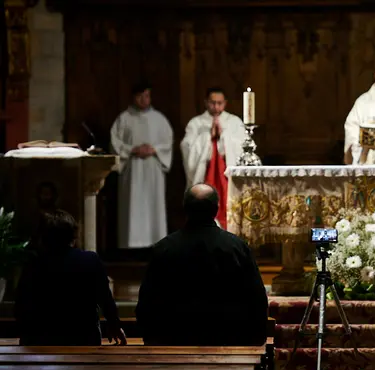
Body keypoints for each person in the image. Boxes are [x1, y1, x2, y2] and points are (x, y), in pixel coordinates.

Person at [136, 183, 269, 346]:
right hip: (229, 338)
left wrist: (150, 337)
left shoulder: (164, 248)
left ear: (185, 208)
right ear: (216, 209)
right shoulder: (236, 247)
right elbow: (256, 297)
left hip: (174, 339)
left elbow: (147, 299)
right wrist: (257, 337)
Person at [15, 210, 126, 346]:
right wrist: (114, 326)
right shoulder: (90, 260)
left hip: (41, 341)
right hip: (83, 340)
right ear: (73, 236)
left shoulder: (33, 264)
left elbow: (20, 306)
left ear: (44, 238)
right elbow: (106, 300)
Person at [110, 81, 173, 249]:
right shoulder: (124, 119)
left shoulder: (159, 119)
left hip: (153, 169)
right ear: (134, 97)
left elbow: (167, 143)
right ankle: (131, 246)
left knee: (154, 208)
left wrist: (154, 149)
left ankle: (156, 243)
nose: (144, 100)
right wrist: (133, 149)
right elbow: (115, 143)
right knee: (132, 208)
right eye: (140, 96)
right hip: (132, 170)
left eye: (147, 96)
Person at [180, 87, 247, 228]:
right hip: (204, 175)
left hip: (226, 178)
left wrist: (224, 137)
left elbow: (242, 148)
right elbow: (186, 147)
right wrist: (207, 138)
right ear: (206, 102)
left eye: (219, 103)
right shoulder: (196, 123)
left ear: (225, 103)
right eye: (212, 103)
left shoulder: (234, 122)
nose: (216, 106)